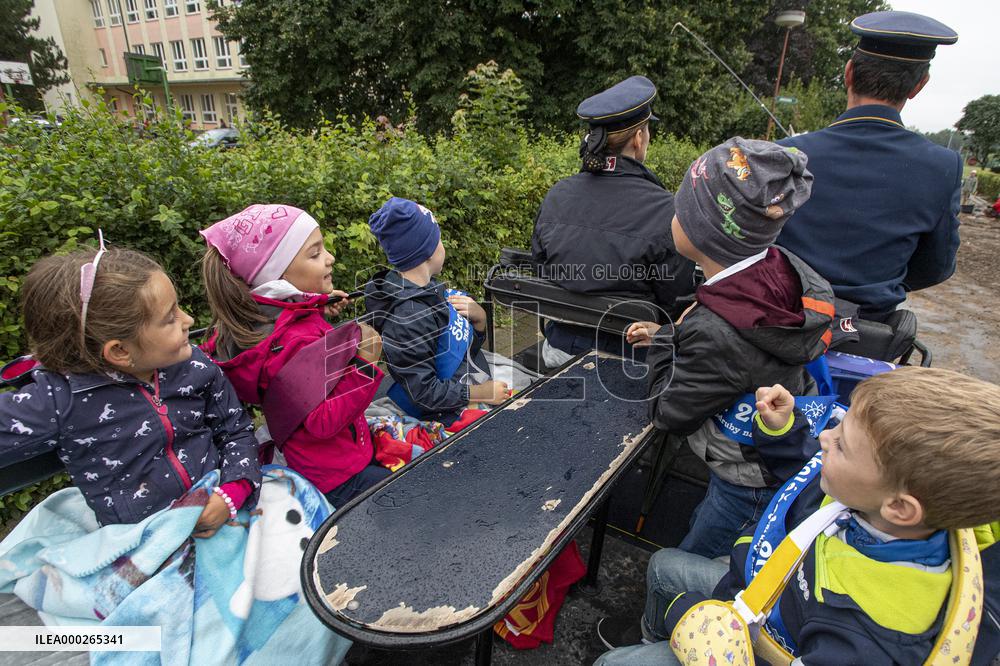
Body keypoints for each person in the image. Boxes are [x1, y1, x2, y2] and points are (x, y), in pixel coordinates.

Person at [595, 367, 1000, 665]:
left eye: (842, 445)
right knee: (664, 566)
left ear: (900, 507)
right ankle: (653, 637)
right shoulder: (872, 499)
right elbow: (812, 472)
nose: (826, 437)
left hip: (746, 644)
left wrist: (691, 622)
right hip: (757, 590)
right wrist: (784, 431)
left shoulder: (870, 637)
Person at [626, 138, 834, 559]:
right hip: (773, 455)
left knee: (697, 559)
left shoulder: (716, 329)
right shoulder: (778, 267)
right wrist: (685, 331)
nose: (674, 216)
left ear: (705, 231)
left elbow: (667, 411)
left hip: (746, 482)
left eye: (681, 209)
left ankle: (669, 622)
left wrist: (669, 338)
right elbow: (732, 351)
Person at [0, 242, 260, 532]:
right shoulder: (58, 399)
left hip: (222, 513)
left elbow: (235, 429)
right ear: (120, 351)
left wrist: (234, 491)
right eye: (170, 317)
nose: (189, 320)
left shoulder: (195, 365)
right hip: (141, 540)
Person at [776, 10, 961, 322]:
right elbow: (936, 266)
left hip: (781, 324)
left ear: (849, 73)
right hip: (869, 331)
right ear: (918, 86)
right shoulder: (943, 165)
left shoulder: (786, 154)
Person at [200, 204, 386, 508]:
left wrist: (317, 307)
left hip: (330, 461)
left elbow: (294, 346)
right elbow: (321, 419)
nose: (330, 258)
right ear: (278, 276)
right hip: (337, 475)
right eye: (314, 254)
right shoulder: (291, 342)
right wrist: (365, 361)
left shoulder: (270, 323)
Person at [531, 75, 696, 367]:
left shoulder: (557, 194)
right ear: (638, 138)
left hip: (559, 349)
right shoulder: (666, 209)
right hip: (632, 359)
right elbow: (675, 302)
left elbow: (542, 267)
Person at [365, 197, 510, 427]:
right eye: (439, 239)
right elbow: (423, 392)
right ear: (429, 252)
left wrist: (480, 320)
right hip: (446, 413)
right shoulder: (407, 318)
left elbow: (456, 350)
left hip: (469, 384)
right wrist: (479, 393)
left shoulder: (430, 290)